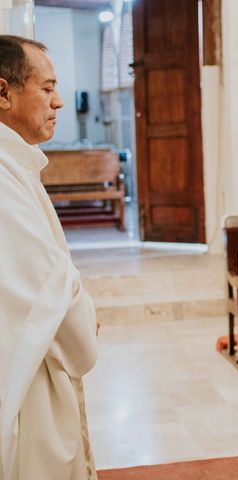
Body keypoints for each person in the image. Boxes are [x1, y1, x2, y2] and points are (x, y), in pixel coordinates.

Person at [0, 35, 98, 480]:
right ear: (3, 92)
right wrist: (84, 328)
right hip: (27, 380)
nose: (58, 101)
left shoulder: (16, 163)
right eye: (46, 87)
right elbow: (47, 286)